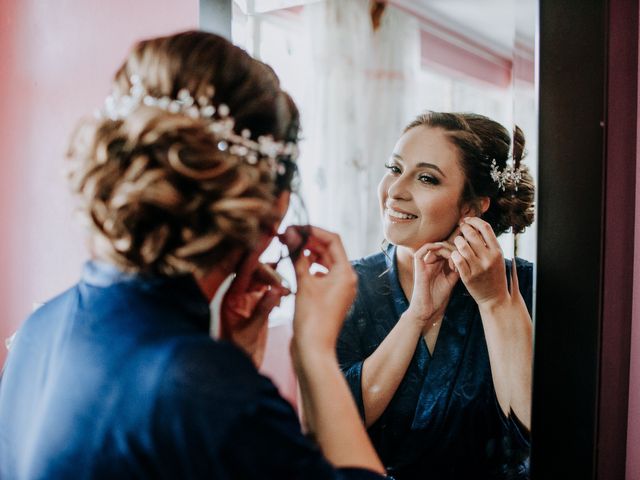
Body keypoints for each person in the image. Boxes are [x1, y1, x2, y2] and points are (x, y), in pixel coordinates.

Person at [0, 31, 387, 479]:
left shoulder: (39, 328)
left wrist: (227, 355)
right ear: (269, 211)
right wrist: (315, 351)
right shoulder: (203, 387)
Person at [337, 112, 535, 479]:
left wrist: (493, 304)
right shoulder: (347, 284)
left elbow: (532, 435)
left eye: (426, 178)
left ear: (472, 208)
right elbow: (332, 422)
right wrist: (415, 317)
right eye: (394, 168)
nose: (395, 190)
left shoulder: (526, 286)